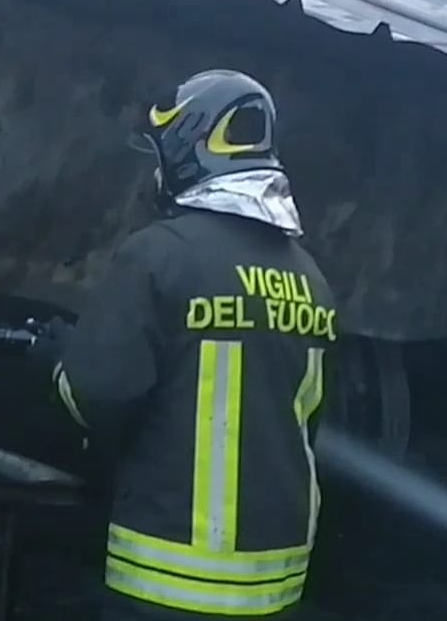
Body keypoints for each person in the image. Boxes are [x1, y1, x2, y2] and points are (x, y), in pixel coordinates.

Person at [33, 69, 337, 619]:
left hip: (169, 578)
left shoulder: (159, 255)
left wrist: (59, 360)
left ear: (188, 151)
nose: (155, 173)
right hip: (276, 582)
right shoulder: (310, 278)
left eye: (159, 157)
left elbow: (98, 394)